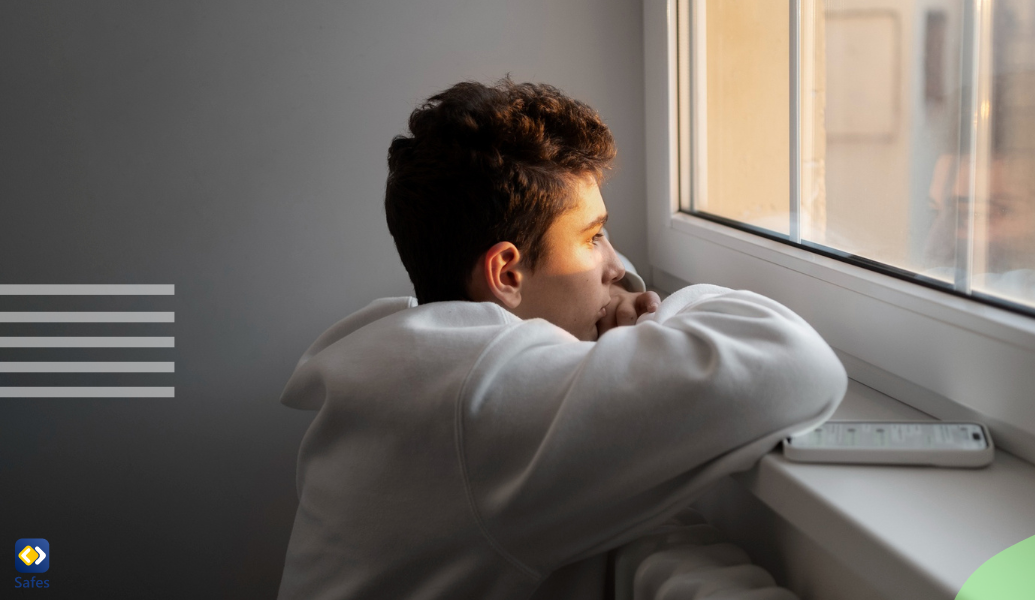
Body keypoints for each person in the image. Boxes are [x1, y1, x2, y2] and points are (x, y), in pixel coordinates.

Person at [276, 78, 847, 599]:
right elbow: (795, 365)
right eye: (593, 236)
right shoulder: (483, 394)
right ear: (506, 274)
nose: (619, 266)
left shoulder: (406, 358)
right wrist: (664, 312)